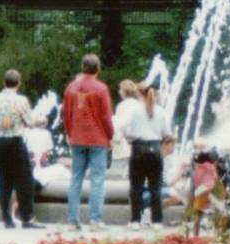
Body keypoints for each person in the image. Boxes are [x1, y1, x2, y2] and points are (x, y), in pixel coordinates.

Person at [63, 53, 114, 230]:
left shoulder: (71, 87)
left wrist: (70, 133)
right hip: (98, 138)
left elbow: (66, 114)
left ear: (82, 67)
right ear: (98, 69)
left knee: (76, 177)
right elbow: (106, 116)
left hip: (77, 137)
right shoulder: (101, 89)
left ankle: (72, 220)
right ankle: (94, 220)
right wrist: (110, 135)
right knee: (97, 179)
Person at [0, 69, 41, 229]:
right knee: (25, 179)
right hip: (15, 141)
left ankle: (7, 219)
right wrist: (39, 120)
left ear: (4, 82)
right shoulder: (21, 100)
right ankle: (27, 218)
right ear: (19, 83)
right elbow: (29, 122)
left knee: (3, 179)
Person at [123, 84, 173, 228]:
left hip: (138, 148)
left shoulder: (134, 110)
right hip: (155, 149)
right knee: (155, 187)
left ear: (140, 94)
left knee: (136, 187)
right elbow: (167, 133)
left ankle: (135, 220)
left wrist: (130, 138)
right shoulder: (161, 111)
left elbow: (127, 130)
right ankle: (157, 221)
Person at [114, 80, 143, 165]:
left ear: (125, 92)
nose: (119, 91)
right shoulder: (139, 104)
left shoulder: (121, 106)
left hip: (126, 138)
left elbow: (119, 124)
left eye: (120, 89)